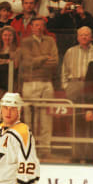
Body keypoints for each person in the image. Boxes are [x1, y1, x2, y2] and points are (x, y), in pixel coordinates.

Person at [16, 17, 58, 159]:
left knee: (46, 117)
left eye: (41, 25)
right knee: (29, 118)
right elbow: (28, 63)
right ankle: (28, 148)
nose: (39, 28)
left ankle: (45, 149)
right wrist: (45, 58)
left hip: (47, 82)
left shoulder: (50, 41)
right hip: (29, 82)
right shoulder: (26, 42)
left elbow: (55, 62)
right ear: (32, 27)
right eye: (36, 25)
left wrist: (39, 60)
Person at [61, 26, 93, 104]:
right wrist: (66, 86)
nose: (84, 37)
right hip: (74, 85)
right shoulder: (70, 52)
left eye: (86, 35)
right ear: (78, 37)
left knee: (90, 111)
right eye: (81, 35)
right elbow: (64, 70)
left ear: (91, 37)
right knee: (75, 113)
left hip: (91, 86)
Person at [0, 25, 19, 99]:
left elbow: (15, 64)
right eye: (5, 35)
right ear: (1, 36)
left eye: (10, 35)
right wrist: (6, 61)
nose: (7, 38)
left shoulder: (18, 50)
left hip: (11, 83)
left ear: (14, 37)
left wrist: (0, 61)